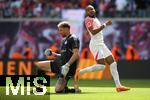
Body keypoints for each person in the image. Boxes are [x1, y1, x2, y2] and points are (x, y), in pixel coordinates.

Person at [75, 5, 130, 92]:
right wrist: (105, 25)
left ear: (95, 10)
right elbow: (93, 32)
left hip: (101, 44)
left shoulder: (96, 19)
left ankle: (118, 86)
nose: (91, 11)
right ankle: (80, 72)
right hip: (95, 44)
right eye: (89, 10)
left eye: (92, 9)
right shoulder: (88, 19)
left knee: (113, 63)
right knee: (101, 66)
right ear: (86, 12)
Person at [35, 21, 81, 93]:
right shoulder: (63, 40)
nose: (59, 32)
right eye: (59, 30)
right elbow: (64, 55)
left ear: (67, 29)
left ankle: (71, 90)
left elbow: (76, 54)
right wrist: (52, 54)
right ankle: (40, 88)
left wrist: (67, 65)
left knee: (58, 90)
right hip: (60, 63)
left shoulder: (73, 38)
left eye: (61, 30)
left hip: (67, 68)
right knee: (38, 65)